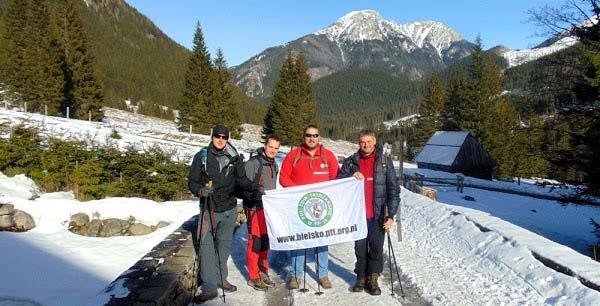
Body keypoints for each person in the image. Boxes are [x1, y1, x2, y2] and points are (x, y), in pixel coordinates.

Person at [188, 124, 260, 303]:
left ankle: (221, 279)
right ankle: (210, 287)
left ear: (228, 139)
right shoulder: (202, 157)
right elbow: (192, 181)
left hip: (229, 209)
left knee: (224, 246)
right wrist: (199, 191)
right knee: (206, 247)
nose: (220, 140)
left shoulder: (234, 158)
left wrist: (254, 187)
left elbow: (242, 180)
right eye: (217, 136)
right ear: (212, 137)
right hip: (209, 209)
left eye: (224, 137)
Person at [337, 129, 400, 295]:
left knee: (376, 248)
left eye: (368, 142)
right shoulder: (351, 162)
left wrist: (391, 216)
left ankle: (373, 278)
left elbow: (394, 191)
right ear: (359, 143)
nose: (365, 145)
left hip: (378, 216)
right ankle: (361, 277)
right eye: (362, 142)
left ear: (374, 142)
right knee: (360, 249)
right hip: (357, 216)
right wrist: (351, 174)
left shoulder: (384, 162)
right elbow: (338, 182)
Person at [279, 124, 339, 289]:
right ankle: (296, 275)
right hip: (299, 205)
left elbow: (336, 179)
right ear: (303, 137)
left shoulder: (328, 156)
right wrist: (298, 192)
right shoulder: (293, 155)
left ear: (319, 137)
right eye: (308, 135)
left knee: (322, 239)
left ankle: (323, 275)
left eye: (314, 135)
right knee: (299, 240)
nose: (311, 138)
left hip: (321, 206)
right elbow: (283, 178)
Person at [243, 134, 282, 290]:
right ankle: (253, 276)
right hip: (254, 208)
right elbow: (242, 186)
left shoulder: (274, 165)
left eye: (276, 148)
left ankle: (263, 270)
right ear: (265, 146)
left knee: (266, 241)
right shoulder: (254, 163)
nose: (273, 150)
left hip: (268, 210)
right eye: (270, 146)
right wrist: (253, 195)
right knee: (256, 242)